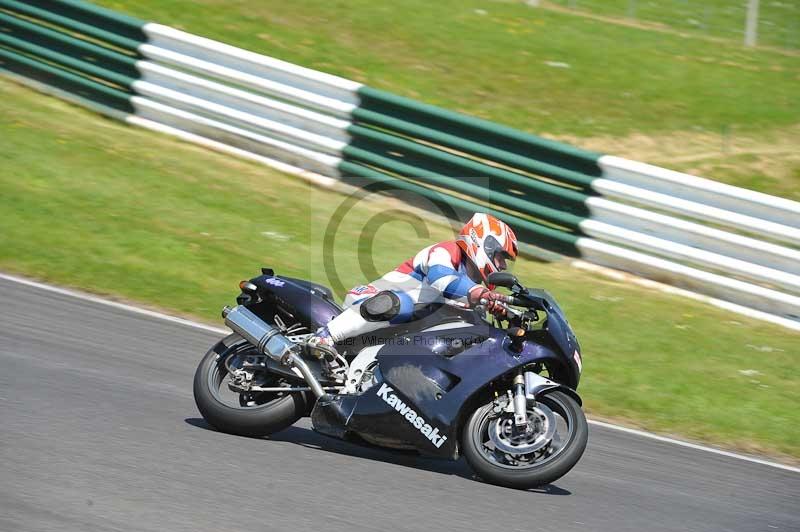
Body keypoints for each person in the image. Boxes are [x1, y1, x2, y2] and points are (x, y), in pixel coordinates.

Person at [309, 213, 519, 365]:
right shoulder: (446, 251)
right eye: (501, 256)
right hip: (372, 301)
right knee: (401, 304)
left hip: (399, 333)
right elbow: (442, 279)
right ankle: (325, 336)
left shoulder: (472, 285)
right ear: (484, 243)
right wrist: (478, 294)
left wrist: (499, 309)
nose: (502, 265)